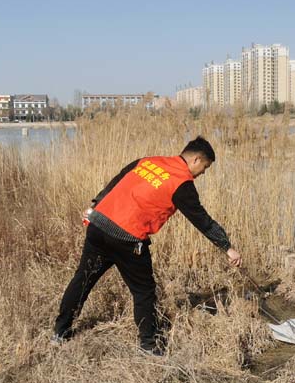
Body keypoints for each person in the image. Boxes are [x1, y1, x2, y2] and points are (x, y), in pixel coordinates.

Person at [52, 136, 242, 354]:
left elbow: (117, 180)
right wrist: (227, 247)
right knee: (144, 291)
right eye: (205, 168)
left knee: (83, 279)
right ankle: (149, 346)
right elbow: (201, 220)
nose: (203, 173)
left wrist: (95, 204)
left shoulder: (148, 161)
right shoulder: (181, 182)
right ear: (196, 160)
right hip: (127, 239)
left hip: (98, 224)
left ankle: (60, 332)